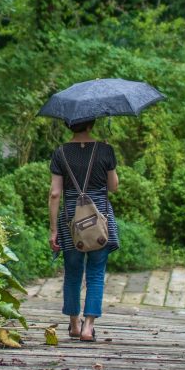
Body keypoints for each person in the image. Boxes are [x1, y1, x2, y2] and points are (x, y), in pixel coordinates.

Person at [48, 119, 119, 342]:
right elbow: (114, 187)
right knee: (96, 274)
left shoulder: (60, 153)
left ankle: (73, 325)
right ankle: (88, 328)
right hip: (100, 220)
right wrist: (107, 158)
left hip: (71, 220)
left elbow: (54, 194)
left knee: (72, 273)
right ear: (92, 123)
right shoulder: (105, 150)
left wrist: (53, 229)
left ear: (69, 124)